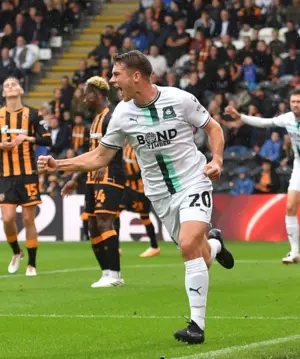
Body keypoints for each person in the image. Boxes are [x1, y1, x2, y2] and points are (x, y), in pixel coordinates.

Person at [38, 50, 233, 345]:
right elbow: (101, 156)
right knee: (200, 256)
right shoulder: (122, 113)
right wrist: (59, 165)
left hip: (194, 181)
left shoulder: (179, 99)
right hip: (159, 195)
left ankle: (196, 325)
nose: (112, 80)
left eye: (117, 74)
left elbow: (213, 127)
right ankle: (216, 244)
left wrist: (216, 159)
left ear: (136, 76)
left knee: (188, 245)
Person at [225, 89, 300, 264]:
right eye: (293, 101)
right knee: (290, 207)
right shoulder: (287, 118)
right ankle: (295, 252)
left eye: (299, 101)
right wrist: (240, 116)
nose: (295, 104)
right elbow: (264, 122)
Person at [61, 76, 125, 288]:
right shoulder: (96, 119)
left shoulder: (112, 116)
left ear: (96, 94)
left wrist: (103, 166)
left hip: (110, 175)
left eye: (86, 93)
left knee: (105, 220)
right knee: (93, 226)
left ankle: (115, 274)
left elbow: (116, 147)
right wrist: (76, 178)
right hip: (91, 176)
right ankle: (106, 273)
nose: (83, 98)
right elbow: (92, 153)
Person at [0, 77, 51, 276]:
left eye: (13, 84)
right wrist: (0, 146)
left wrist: (28, 138)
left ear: (21, 90)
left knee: (28, 219)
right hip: (6, 175)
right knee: (7, 218)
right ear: (4, 93)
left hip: (28, 173)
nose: (10, 87)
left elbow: (47, 139)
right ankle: (17, 251)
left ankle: (32, 263)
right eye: (6, 85)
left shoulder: (32, 114)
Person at [121, 141, 161, 257]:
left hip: (141, 189)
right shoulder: (126, 146)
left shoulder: (142, 148)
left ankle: (154, 246)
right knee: (116, 212)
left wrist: (129, 177)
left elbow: (145, 169)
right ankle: (115, 247)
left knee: (144, 217)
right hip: (128, 188)